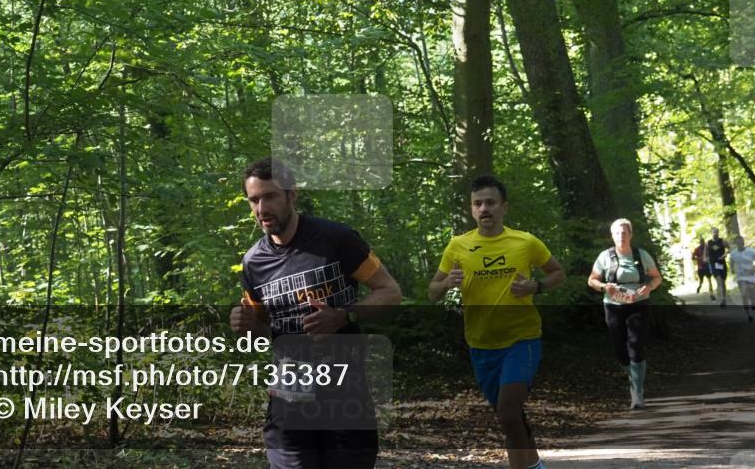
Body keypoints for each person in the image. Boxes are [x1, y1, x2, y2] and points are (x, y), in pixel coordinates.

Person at [229, 157, 402, 469]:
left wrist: (343, 315)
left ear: (291, 195)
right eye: (254, 200)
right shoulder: (253, 263)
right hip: (288, 398)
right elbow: (263, 332)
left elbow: (390, 292)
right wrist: (245, 325)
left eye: (270, 196)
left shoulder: (336, 239)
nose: (261, 209)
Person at [429, 175, 565, 469]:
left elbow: (557, 273)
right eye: (478, 204)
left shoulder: (525, 242)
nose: (484, 209)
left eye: (490, 203)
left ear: (504, 207)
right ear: (471, 210)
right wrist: (446, 284)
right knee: (512, 417)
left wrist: (536, 286)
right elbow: (432, 292)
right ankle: (535, 465)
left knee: (506, 413)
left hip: (522, 339)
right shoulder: (458, 246)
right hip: (481, 343)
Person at [587, 219, 663, 409]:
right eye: (618, 233)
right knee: (620, 350)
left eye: (625, 233)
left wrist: (649, 287)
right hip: (613, 306)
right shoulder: (605, 256)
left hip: (638, 305)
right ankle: (633, 377)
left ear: (630, 235)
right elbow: (592, 280)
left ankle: (637, 392)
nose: (621, 236)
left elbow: (656, 277)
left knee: (635, 345)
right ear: (612, 236)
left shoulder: (641, 255)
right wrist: (605, 286)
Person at [729, 236, 755, 322]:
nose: (740, 245)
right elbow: (731, 262)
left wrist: (754, 269)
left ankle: (753, 303)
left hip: (751, 275)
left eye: (742, 243)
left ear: (744, 243)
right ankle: (749, 315)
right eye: (738, 243)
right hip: (740, 276)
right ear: (736, 244)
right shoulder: (733, 253)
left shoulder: (751, 251)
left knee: (752, 293)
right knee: (744, 294)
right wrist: (732, 269)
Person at [706, 228, 729, 307]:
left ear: (718, 233)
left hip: (721, 263)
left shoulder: (722, 241)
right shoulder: (708, 243)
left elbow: (730, 248)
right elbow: (705, 254)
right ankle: (722, 299)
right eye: (713, 232)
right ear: (711, 233)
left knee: (722, 282)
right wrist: (706, 258)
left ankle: (723, 298)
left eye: (716, 232)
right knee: (719, 281)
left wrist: (724, 255)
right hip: (713, 264)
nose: (715, 234)